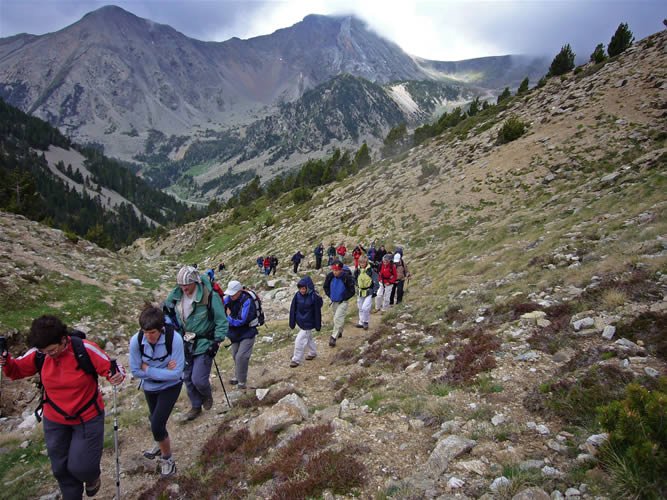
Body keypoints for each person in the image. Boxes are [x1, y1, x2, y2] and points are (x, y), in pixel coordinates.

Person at [0, 315, 125, 499]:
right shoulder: (39, 354)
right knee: (60, 468)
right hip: (54, 419)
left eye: (52, 350)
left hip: (87, 416)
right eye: (45, 351)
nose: (49, 354)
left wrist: (116, 376)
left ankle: (91, 476)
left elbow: (113, 367)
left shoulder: (84, 349)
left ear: (63, 339)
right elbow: (17, 370)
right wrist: (6, 362)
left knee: (82, 467)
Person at [165, 265, 227, 421]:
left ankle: (206, 395)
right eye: (181, 285)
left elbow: (221, 320)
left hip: (204, 342)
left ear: (195, 282)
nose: (184, 288)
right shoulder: (176, 297)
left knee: (198, 378)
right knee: (187, 378)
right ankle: (195, 406)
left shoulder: (209, 296)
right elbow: (170, 315)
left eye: (187, 285)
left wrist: (217, 341)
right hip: (185, 342)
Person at [129, 305, 184, 477]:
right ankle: (160, 443)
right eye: (145, 332)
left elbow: (176, 373)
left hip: (171, 386)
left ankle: (168, 459)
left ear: (160, 329)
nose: (148, 336)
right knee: (155, 419)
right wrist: (163, 369)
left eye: (152, 332)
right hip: (150, 387)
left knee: (157, 423)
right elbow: (135, 371)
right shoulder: (136, 341)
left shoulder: (174, 339)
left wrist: (149, 369)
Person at [223, 280, 259, 391]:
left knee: (241, 356)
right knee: (235, 355)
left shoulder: (247, 301)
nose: (231, 295)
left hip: (247, 331)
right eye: (230, 293)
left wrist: (228, 317)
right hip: (235, 332)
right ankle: (238, 376)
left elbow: (241, 320)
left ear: (240, 291)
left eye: (233, 293)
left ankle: (242, 382)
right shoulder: (228, 299)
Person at [288, 276, 323, 367]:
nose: (302, 290)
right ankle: (312, 352)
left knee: (299, 340)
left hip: (309, 323)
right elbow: (293, 309)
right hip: (301, 322)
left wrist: (318, 325)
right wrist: (292, 322)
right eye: (300, 289)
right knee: (308, 338)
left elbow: (317, 311)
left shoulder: (314, 296)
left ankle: (296, 359)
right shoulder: (297, 295)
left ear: (308, 287)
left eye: (303, 288)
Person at [323, 260, 356, 347]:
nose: (335, 272)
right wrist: (330, 295)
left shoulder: (346, 277)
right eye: (333, 270)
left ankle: (333, 337)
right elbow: (325, 286)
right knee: (336, 318)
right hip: (334, 301)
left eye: (337, 270)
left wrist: (345, 297)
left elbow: (352, 290)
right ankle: (339, 332)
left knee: (337, 318)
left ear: (341, 269)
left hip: (343, 301)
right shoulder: (330, 276)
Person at [354, 255, 375, 330]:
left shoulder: (370, 270)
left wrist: (374, 290)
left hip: (369, 291)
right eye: (360, 262)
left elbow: (375, 280)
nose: (362, 264)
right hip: (360, 291)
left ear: (366, 262)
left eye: (363, 262)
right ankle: (361, 322)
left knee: (365, 307)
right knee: (360, 307)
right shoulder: (357, 270)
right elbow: (355, 278)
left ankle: (365, 321)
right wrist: (357, 284)